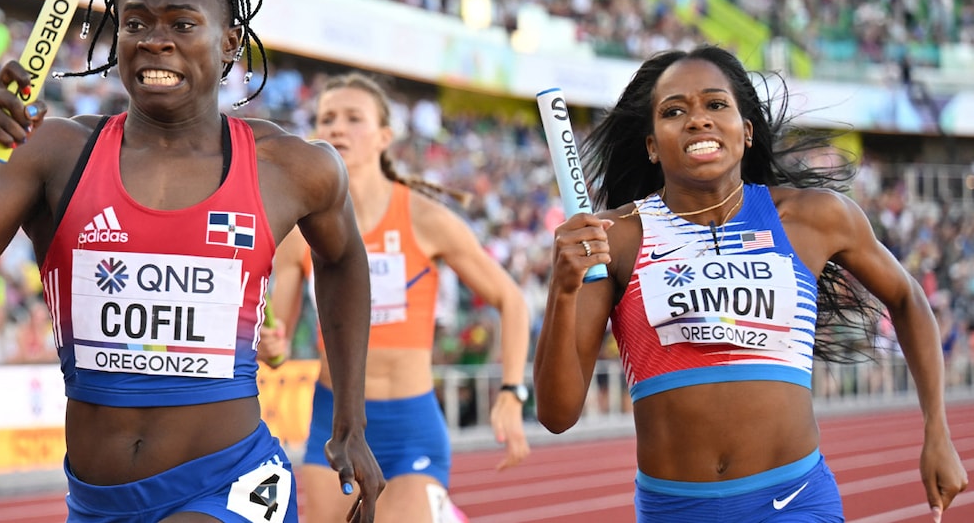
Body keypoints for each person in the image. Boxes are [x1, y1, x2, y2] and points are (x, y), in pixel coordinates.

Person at [0, 0, 384, 522]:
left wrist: (349, 420)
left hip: (232, 484)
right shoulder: (55, 153)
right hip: (98, 502)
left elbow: (343, 258)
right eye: (135, 22)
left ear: (230, 42)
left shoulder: (291, 166)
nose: (155, 38)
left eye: (182, 22)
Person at [532, 45, 968, 522]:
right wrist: (564, 287)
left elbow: (906, 297)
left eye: (716, 105)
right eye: (674, 111)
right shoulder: (614, 239)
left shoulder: (813, 218)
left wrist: (937, 430)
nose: (698, 120)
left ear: (747, 131)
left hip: (794, 500)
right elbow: (558, 416)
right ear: (652, 144)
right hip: (675, 510)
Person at [258, 73, 531, 522]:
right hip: (333, 422)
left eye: (352, 118)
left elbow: (511, 300)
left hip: (410, 426)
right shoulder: (299, 234)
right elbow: (276, 349)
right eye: (326, 118)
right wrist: (272, 348)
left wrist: (510, 392)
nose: (337, 128)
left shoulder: (425, 218)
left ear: (385, 136)